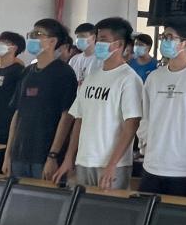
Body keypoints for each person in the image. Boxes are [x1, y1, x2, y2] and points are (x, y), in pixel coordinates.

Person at [54, 17, 143, 190]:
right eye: (97, 39)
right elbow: (79, 119)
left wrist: (112, 164)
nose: (97, 44)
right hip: (84, 160)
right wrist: (69, 157)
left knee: (107, 207)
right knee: (80, 206)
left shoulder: (129, 79)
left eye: (103, 39)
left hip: (112, 165)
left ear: (119, 44)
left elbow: (131, 126)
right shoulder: (91, 77)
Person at [137, 17, 186, 197]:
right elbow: (146, 116)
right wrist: (147, 141)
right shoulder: (154, 77)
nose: (164, 41)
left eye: (170, 37)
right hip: (153, 165)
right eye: (163, 37)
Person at [2, 19, 78, 180]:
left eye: (38, 34)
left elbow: (67, 116)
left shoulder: (64, 73)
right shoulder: (27, 72)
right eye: (31, 34)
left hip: (44, 155)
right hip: (19, 154)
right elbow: (17, 113)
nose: (32, 38)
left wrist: (53, 155)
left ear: (52, 41)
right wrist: (8, 154)